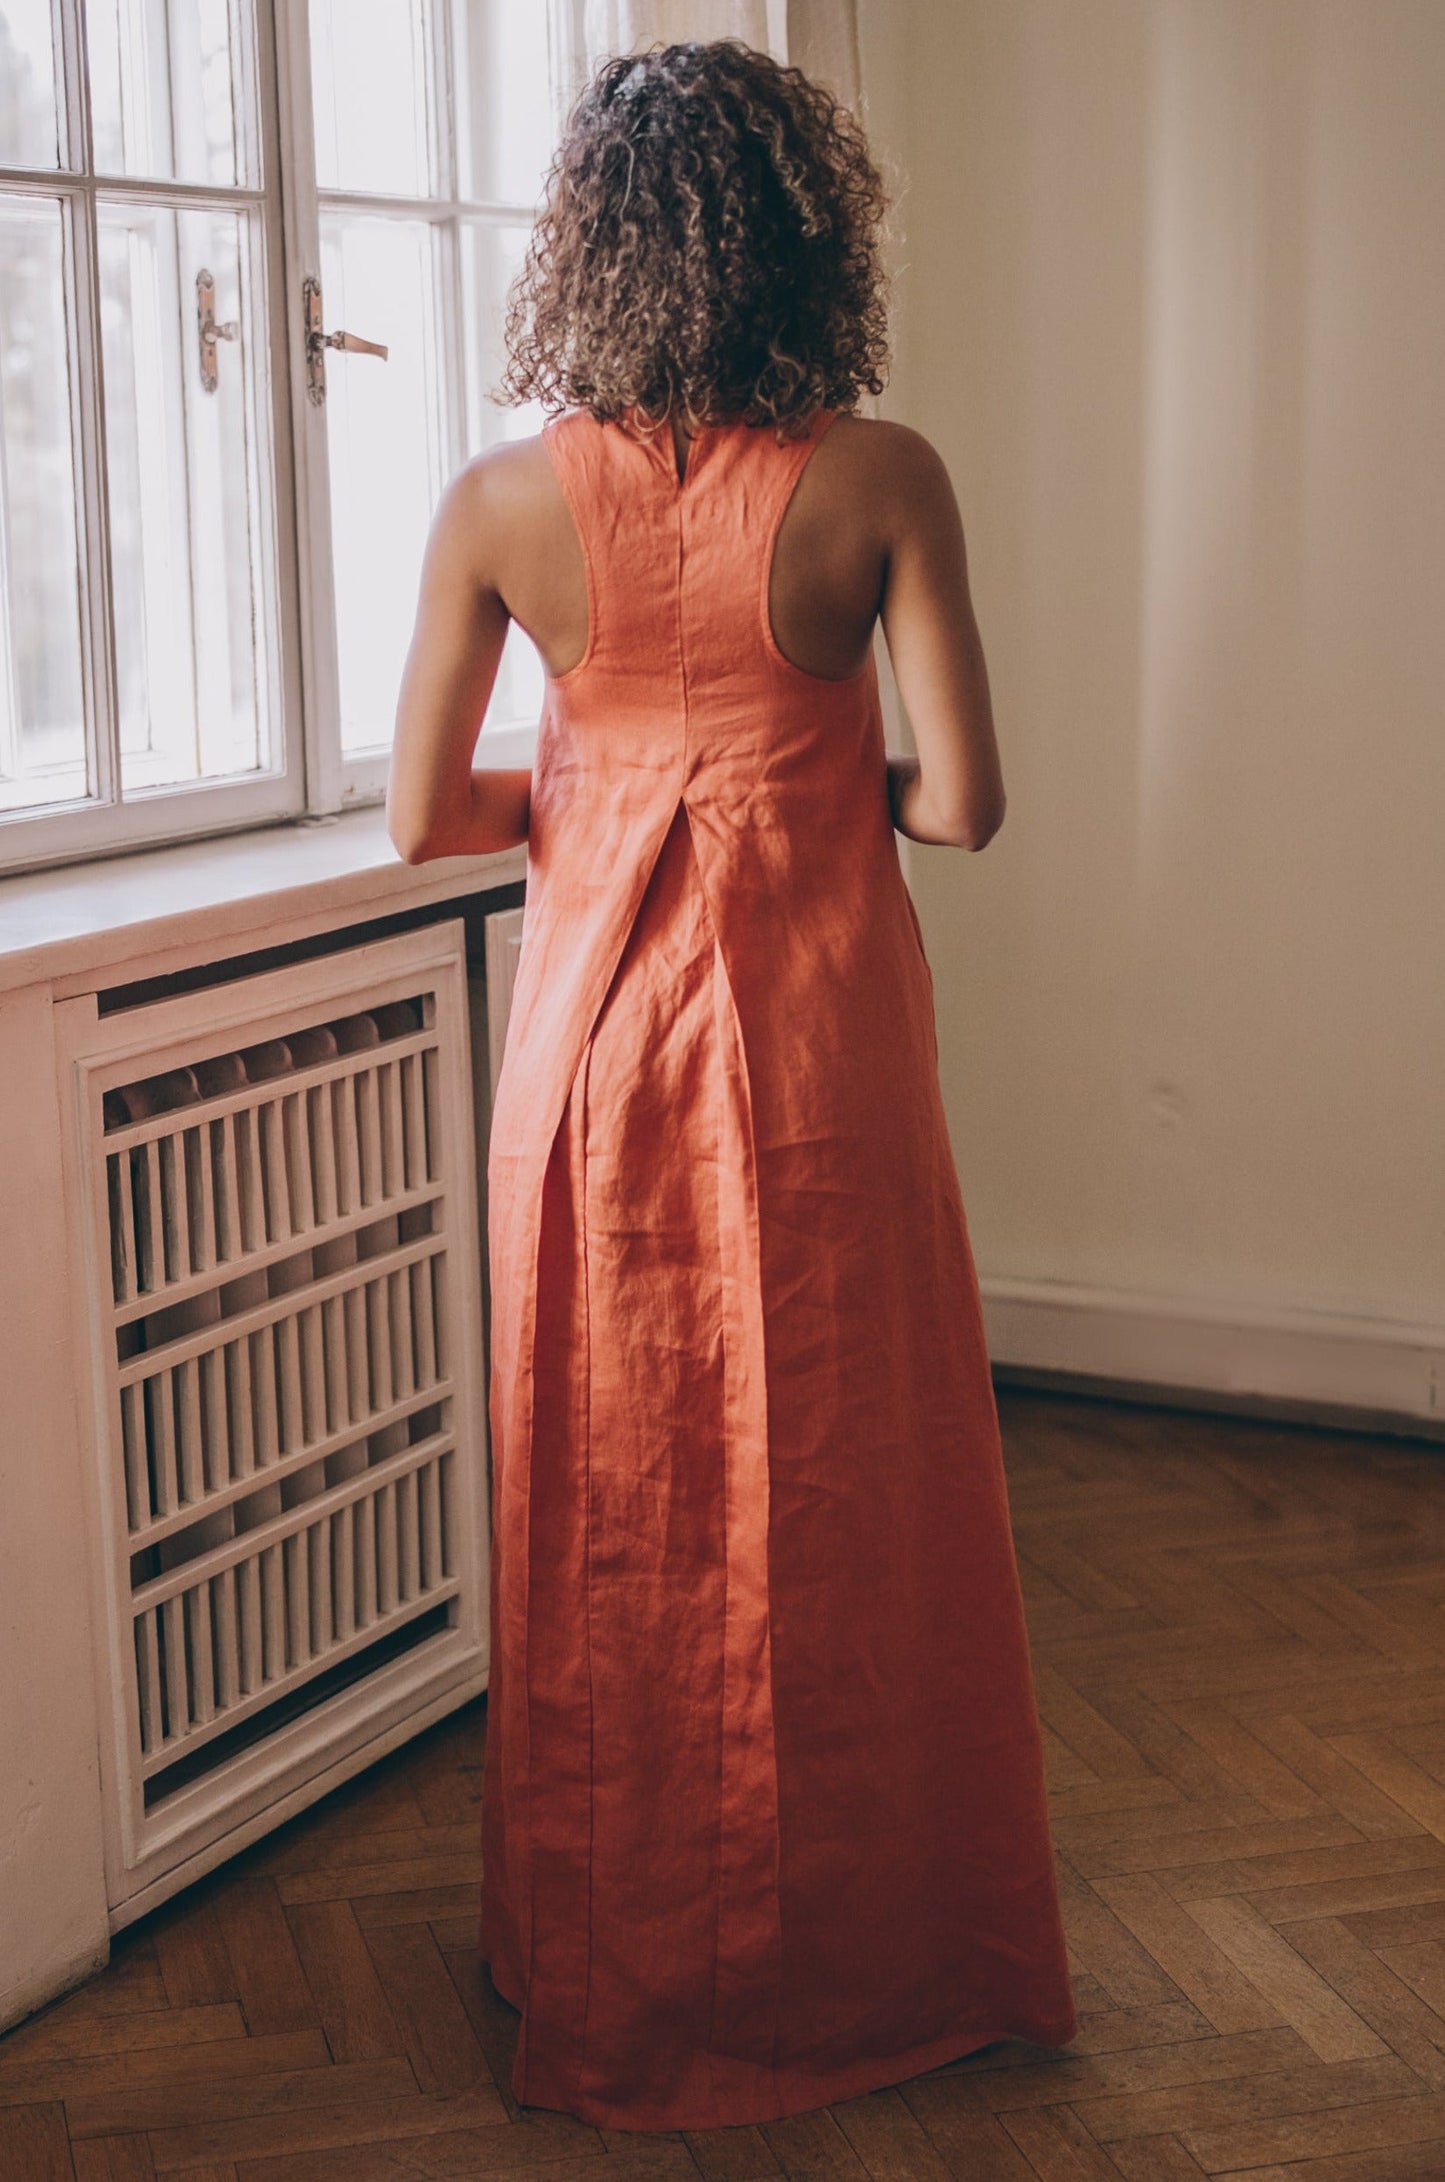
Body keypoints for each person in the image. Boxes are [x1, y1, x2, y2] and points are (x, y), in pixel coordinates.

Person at [386, 36, 1075, 2135]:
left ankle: (606, 1943)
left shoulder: (502, 500)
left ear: (587, 246)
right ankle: (859, 1944)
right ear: (805, 237)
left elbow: (424, 814)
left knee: (606, 1475)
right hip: (813, 1041)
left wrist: (608, 788)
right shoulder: (883, 476)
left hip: (590, 1053)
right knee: (843, 1472)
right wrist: (796, 777)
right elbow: (961, 805)